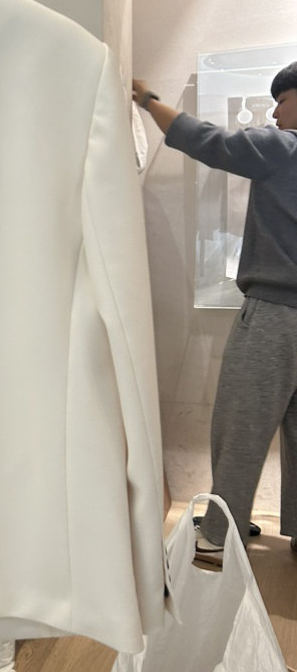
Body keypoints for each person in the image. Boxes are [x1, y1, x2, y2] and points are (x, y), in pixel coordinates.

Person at [133, 65, 297, 555]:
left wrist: (148, 100)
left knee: (242, 424)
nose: (275, 112)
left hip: (274, 314)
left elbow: (209, 141)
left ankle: (220, 534)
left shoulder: (282, 147)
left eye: (281, 100)